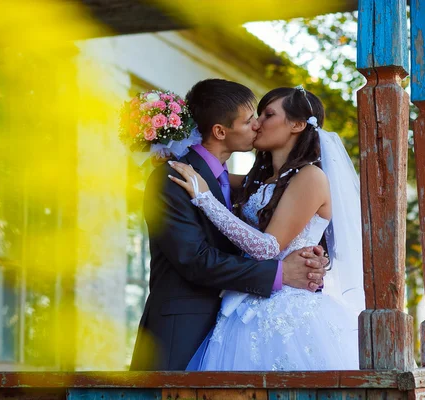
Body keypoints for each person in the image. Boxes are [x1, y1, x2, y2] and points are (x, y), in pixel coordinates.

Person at [129, 80, 329, 371]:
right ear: (220, 131)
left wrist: (314, 257)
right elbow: (194, 259)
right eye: (250, 120)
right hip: (183, 327)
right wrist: (282, 272)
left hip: (239, 321)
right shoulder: (175, 179)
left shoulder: (231, 182)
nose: (258, 125)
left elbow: (289, 221)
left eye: (263, 117)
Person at [169, 86, 365, 370]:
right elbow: (213, 174)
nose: (258, 123)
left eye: (268, 114)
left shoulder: (311, 177)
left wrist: (204, 200)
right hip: (246, 303)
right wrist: (169, 150)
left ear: (297, 125)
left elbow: (267, 247)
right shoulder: (260, 180)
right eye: (257, 115)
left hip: (289, 310)